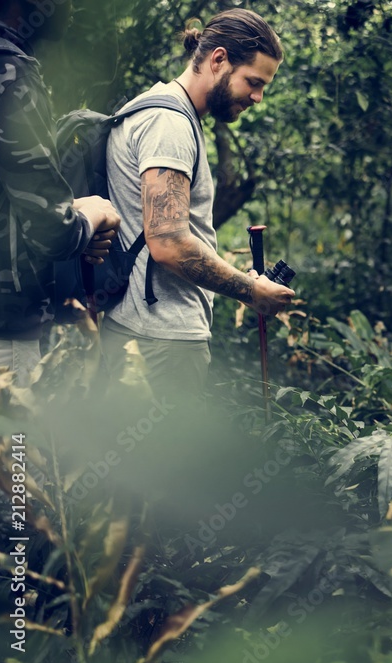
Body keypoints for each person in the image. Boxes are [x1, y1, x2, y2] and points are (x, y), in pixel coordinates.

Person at [100, 8, 293, 399]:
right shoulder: (168, 124)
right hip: (161, 340)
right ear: (218, 59)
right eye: (253, 82)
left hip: (144, 332)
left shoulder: (166, 112)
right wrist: (250, 291)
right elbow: (169, 244)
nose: (257, 97)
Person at [0, 0, 121, 388]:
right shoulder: (10, 72)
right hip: (6, 329)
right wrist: (94, 213)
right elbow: (52, 232)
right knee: (17, 447)